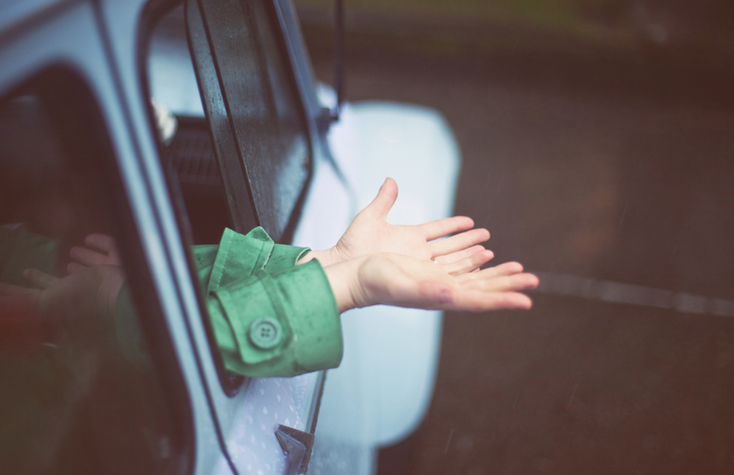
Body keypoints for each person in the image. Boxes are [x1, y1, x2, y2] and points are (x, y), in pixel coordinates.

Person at [1, 178, 538, 376]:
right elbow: (188, 343)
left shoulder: (23, 247)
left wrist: (319, 265)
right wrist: (346, 284)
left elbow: (187, 299)